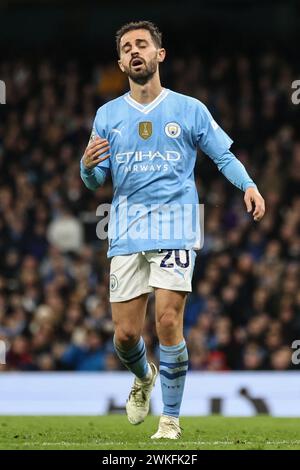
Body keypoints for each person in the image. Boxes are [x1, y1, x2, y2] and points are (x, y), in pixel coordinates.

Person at [80, 20, 265, 439]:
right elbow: (94, 181)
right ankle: (143, 376)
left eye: (142, 44)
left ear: (159, 55)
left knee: (167, 321)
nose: (134, 51)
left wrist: (249, 185)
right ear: (121, 61)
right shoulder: (107, 115)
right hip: (126, 229)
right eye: (127, 47)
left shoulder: (189, 109)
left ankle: (170, 421)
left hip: (176, 226)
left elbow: (223, 155)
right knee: (126, 336)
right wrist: (86, 166)